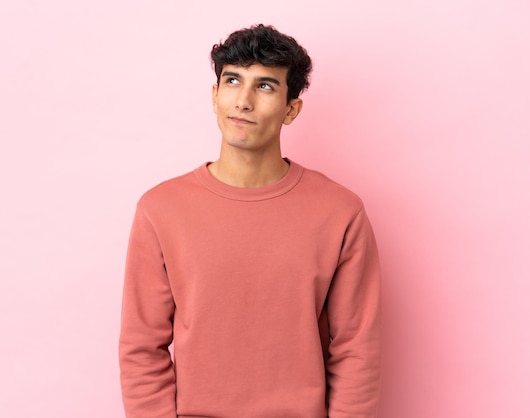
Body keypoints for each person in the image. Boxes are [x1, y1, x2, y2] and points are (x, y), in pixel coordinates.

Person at [119, 24, 381, 418]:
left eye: (265, 87)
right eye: (233, 80)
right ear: (214, 95)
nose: (242, 101)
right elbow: (141, 347)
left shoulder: (340, 213)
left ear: (291, 109)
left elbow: (357, 349)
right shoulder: (161, 209)